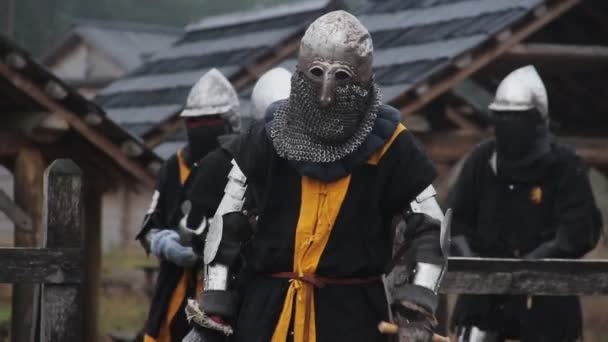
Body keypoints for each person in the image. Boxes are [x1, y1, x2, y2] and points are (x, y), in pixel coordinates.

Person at [182, 11, 447, 342]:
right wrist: (216, 306)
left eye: (342, 77)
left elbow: (429, 226)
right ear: (301, 74)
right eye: (317, 74)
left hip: (354, 319)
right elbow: (228, 221)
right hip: (266, 315)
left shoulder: (392, 145)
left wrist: (416, 305)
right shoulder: (268, 135)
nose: (326, 94)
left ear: (363, 81)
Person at [449, 65, 602, 342]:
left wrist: (524, 270)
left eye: (516, 117)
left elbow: (577, 233)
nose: (509, 125)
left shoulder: (565, 166)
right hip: (482, 303)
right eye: (503, 117)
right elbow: (454, 223)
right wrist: (478, 267)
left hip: (548, 302)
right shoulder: (481, 161)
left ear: (536, 120)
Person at [136, 68, 241, 342]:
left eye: (210, 119)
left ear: (229, 122)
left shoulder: (241, 166)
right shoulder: (173, 168)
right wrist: (162, 242)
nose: (202, 126)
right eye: (196, 120)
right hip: (173, 290)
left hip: (223, 295)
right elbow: (149, 227)